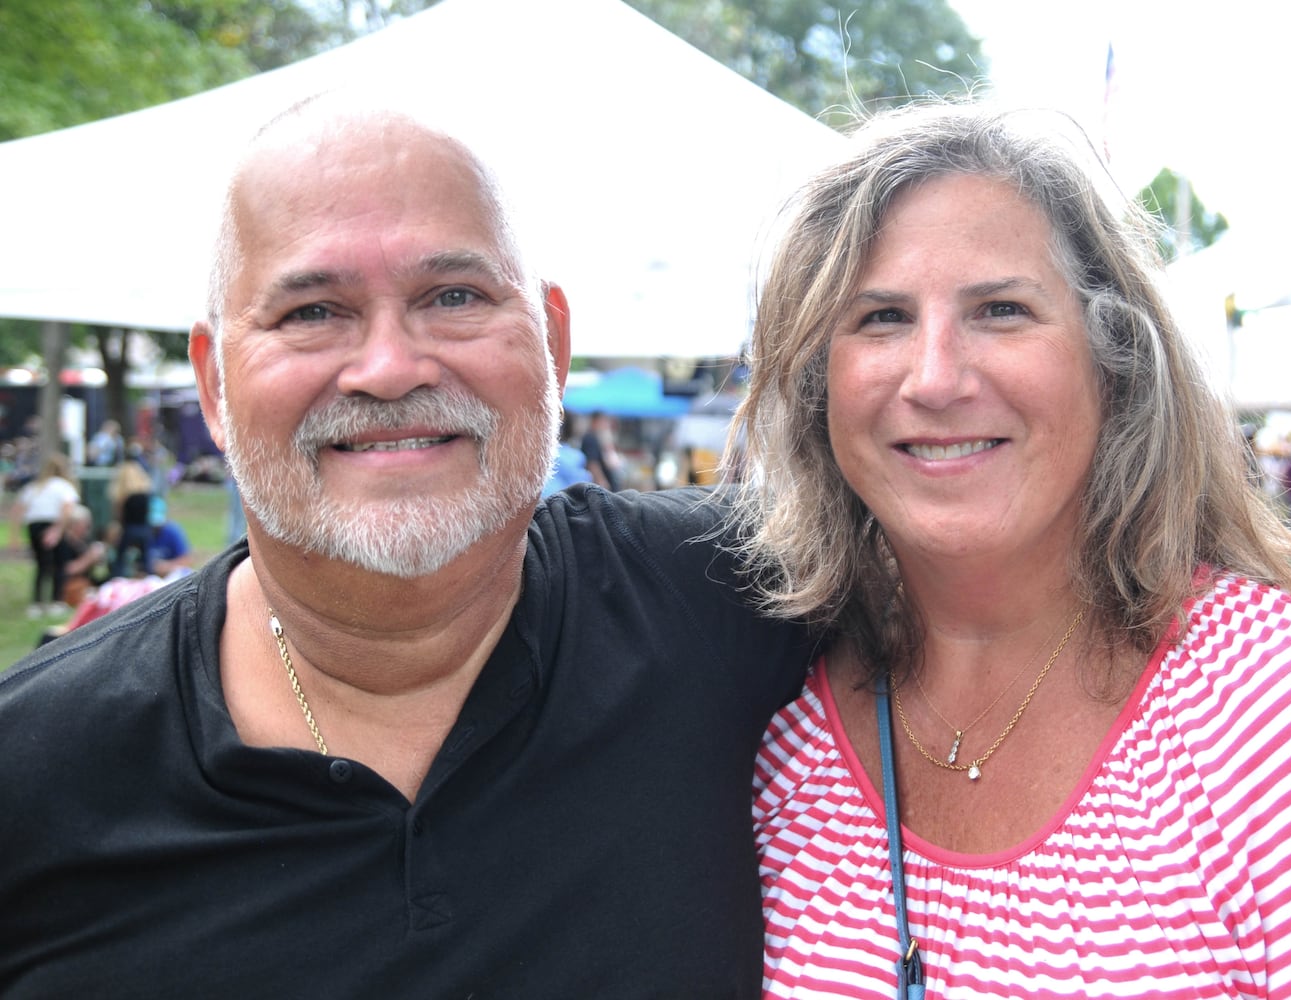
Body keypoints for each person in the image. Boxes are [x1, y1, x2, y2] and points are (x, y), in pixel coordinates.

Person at [0, 93, 811, 997]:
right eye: (311, 311)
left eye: (453, 296)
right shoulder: (34, 769)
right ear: (215, 386)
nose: (389, 369)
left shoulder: (738, 594)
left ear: (552, 344)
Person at [728, 102, 1291, 997]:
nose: (936, 377)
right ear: (815, 385)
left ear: (1116, 361)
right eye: (880, 318)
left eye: (1000, 309)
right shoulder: (760, 714)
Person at [8, 451, 79, 619]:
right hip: (53, 524)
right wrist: (57, 530)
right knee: (59, 564)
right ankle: (56, 601)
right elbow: (67, 509)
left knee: (41, 565)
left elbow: (17, 510)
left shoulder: (34, 487)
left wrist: (15, 536)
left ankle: (37, 604)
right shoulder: (64, 486)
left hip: (34, 526)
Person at [580, 408, 622, 489]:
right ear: (595, 421)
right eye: (603, 421)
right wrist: (600, 480)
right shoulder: (590, 438)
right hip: (600, 485)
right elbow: (592, 462)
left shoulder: (598, 437)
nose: (605, 425)